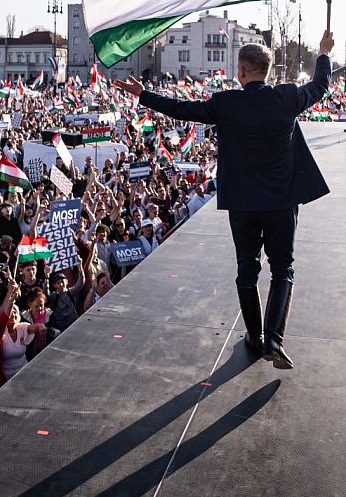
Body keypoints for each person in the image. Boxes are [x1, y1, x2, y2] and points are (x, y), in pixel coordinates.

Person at [114, 29, 334, 370]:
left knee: (247, 268)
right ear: (268, 71)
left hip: (242, 204)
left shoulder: (226, 103)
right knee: (282, 268)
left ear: (241, 72)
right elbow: (320, 86)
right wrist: (323, 53)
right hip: (280, 202)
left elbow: (181, 109)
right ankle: (274, 340)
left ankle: (255, 337)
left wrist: (144, 95)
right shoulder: (287, 97)